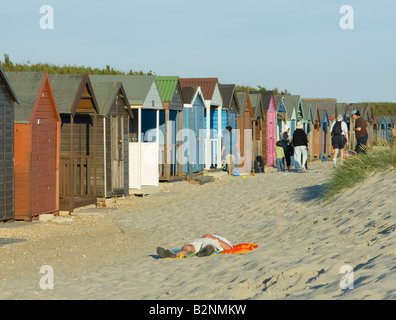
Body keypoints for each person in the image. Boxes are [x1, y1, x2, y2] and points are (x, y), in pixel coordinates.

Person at [157, 234, 233, 258]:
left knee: (209, 245)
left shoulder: (223, 239)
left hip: (212, 241)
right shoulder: (210, 235)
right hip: (199, 241)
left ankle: (207, 250)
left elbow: (229, 248)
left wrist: (215, 238)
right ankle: (173, 254)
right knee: (187, 247)